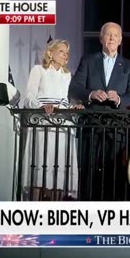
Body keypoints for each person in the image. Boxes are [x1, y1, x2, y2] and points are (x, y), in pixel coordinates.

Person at [69, 22, 130, 201]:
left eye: (115, 35)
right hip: (90, 125)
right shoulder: (88, 60)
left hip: (115, 127)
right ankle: (85, 212)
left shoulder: (129, 66)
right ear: (101, 38)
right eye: (108, 35)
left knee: (114, 172)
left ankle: (112, 215)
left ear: (120, 40)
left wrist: (119, 99)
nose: (111, 38)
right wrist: (91, 94)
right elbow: (74, 88)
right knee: (87, 170)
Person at [23, 39, 84, 200]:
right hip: (42, 124)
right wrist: (42, 106)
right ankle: (34, 208)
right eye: (62, 51)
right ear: (51, 53)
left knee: (59, 165)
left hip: (63, 125)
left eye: (67, 53)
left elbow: (66, 100)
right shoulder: (38, 70)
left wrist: (75, 106)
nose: (66, 55)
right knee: (40, 162)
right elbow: (29, 96)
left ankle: (54, 210)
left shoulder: (67, 75)